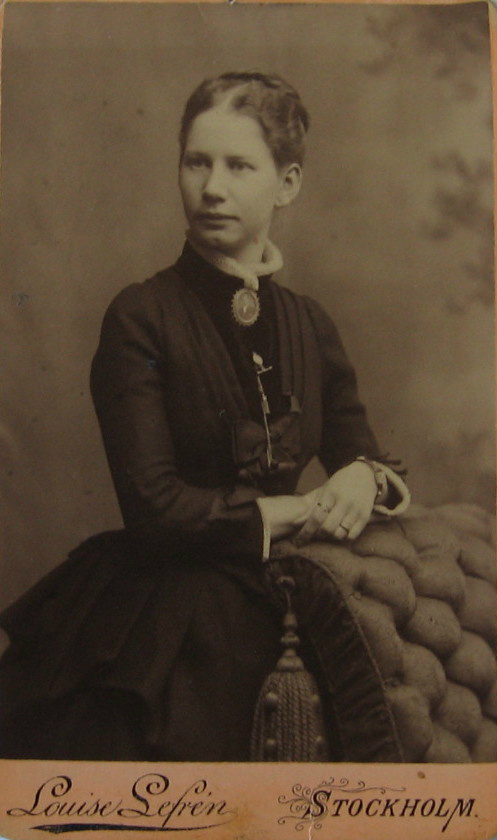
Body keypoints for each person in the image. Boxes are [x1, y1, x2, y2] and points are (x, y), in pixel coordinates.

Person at [0, 71, 409, 762]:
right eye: (197, 162)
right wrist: (295, 511)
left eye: (238, 166)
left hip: (288, 603)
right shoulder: (141, 317)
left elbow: (365, 454)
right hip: (167, 616)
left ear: (287, 183)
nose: (212, 187)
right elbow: (155, 507)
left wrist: (361, 479)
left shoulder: (310, 324)